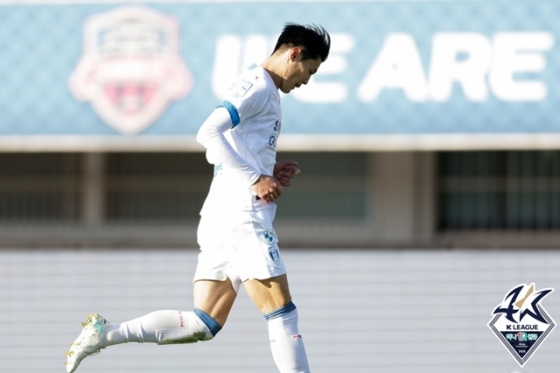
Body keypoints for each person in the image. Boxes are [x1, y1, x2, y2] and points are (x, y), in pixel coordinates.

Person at [65, 22, 331, 373]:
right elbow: (208, 132)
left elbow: (226, 148)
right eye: (309, 70)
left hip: (220, 215)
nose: (306, 81)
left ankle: (105, 333)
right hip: (242, 217)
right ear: (294, 53)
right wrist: (255, 178)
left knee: (203, 322)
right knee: (282, 312)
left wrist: (267, 169)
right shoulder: (259, 86)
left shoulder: (260, 86)